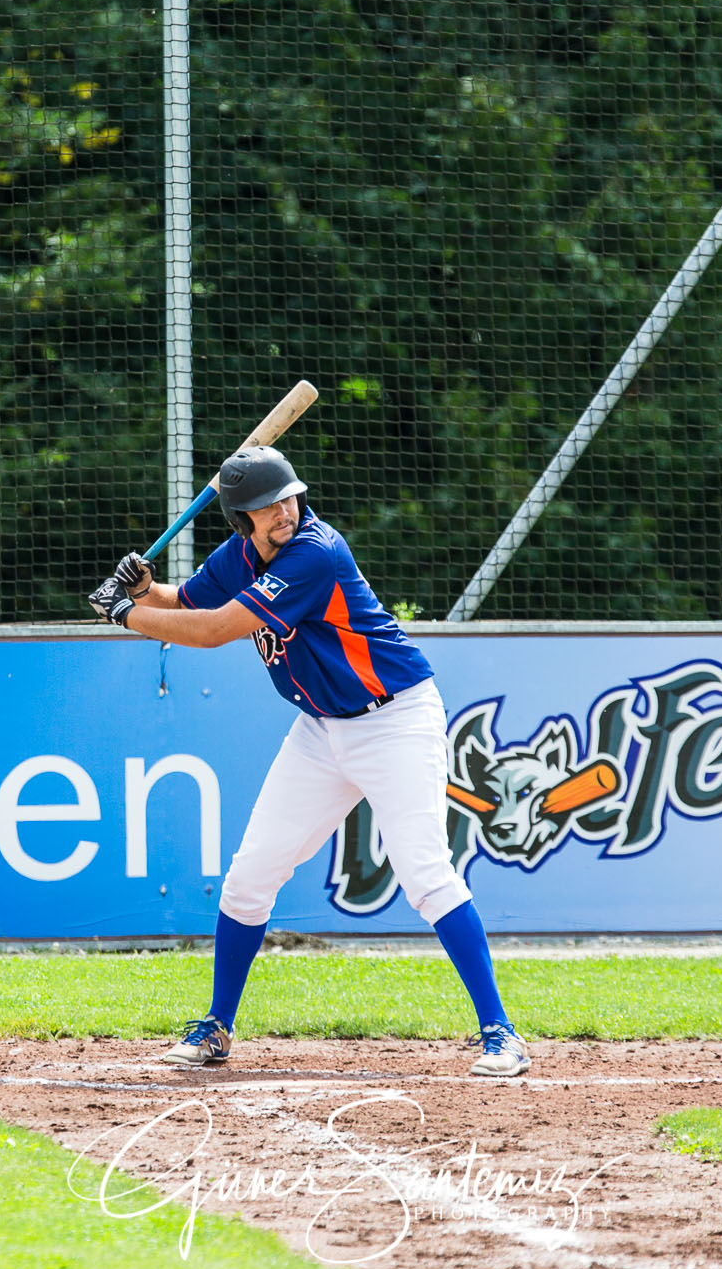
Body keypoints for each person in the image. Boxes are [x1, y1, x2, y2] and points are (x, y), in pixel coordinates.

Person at [87, 446, 529, 1077]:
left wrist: (126, 614)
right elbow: (185, 601)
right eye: (267, 506)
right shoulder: (240, 556)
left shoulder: (314, 553)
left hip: (395, 720)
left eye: (288, 498)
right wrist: (142, 590)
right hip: (321, 729)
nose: (284, 512)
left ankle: (500, 1033)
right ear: (241, 519)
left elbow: (213, 631)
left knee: (426, 875)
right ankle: (216, 1027)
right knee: (249, 877)